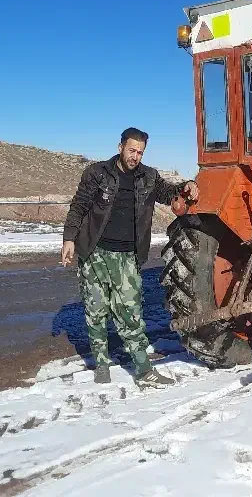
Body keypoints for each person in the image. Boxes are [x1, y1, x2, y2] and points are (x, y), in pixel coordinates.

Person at [61, 127, 199, 387]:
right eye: (131, 150)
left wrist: (187, 186)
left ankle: (144, 370)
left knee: (131, 314)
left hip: (127, 257)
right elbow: (78, 206)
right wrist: (69, 238)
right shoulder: (97, 173)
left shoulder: (148, 177)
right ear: (120, 147)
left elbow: (168, 193)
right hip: (95, 254)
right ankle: (101, 364)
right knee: (96, 311)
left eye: (140, 152)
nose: (135, 156)